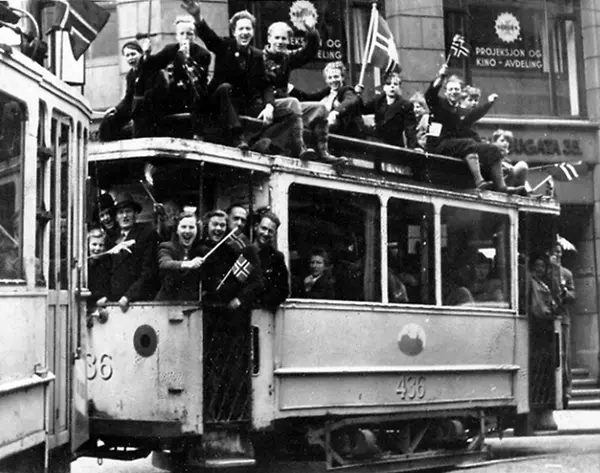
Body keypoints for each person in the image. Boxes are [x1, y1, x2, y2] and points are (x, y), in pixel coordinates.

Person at [182, 0, 274, 149]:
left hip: (241, 105)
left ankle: (265, 144)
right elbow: (209, 37)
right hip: (217, 101)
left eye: (248, 28)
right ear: (234, 32)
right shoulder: (225, 46)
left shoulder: (257, 55)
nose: (245, 32)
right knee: (225, 87)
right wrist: (197, 16)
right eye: (241, 29)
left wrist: (269, 105)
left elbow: (265, 83)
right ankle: (238, 138)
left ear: (253, 31)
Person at [255, 19, 346, 163]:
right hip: (264, 106)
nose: (280, 42)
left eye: (284, 38)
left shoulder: (286, 57)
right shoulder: (258, 58)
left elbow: (309, 52)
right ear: (269, 38)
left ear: (289, 40)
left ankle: (323, 153)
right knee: (293, 102)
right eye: (277, 38)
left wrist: (311, 31)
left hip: (285, 107)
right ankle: (300, 148)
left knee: (320, 108)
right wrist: (269, 104)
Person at [425, 64, 519, 194]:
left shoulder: (459, 111)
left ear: (461, 93)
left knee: (493, 149)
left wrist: (489, 103)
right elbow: (430, 95)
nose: (453, 92)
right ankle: (479, 181)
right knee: (468, 143)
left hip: (456, 146)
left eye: (456, 89)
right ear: (445, 92)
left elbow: (474, 115)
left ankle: (502, 186)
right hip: (438, 145)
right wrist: (441, 77)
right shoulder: (439, 104)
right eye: (451, 89)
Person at [140, 15, 211, 139]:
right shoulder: (170, 50)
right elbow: (151, 65)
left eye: (189, 34)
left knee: (198, 97)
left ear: (195, 36)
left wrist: (186, 57)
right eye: (182, 34)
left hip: (195, 95)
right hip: (175, 94)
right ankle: (153, 133)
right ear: (177, 36)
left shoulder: (203, 54)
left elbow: (197, 79)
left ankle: (198, 134)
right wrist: (146, 53)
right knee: (151, 96)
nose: (185, 37)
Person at [198, 210, 263, 310]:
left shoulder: (239, 248)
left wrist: (240, 299)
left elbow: (256, 281)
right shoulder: (199, 247)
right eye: (215, 224)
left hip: (231, 308)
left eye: (222, 225)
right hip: (205, 307)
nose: (218, 228)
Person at [108, 193, 159, 311]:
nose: (124, 216)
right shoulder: (111, 238)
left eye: (128, 211)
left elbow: (148, 271)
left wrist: (128, 296)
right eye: (120, 212)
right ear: (116, 217)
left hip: (138, 302)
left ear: (135, 214)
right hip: (114, 302)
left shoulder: (147, 234)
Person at [291, 61, 364, 139]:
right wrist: (291, 89)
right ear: (326, 80)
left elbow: (350, 100)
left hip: (346, 137)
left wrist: (336, 112)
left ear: (342, 77)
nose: (333, 80)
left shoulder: (347, 90)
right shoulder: (328, 91)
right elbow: (310, 98)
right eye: (330, 78)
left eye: (336, 77)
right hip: (329, 133)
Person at [357, 71, 418, 149]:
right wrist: (358, 95)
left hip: (393, 145)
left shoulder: (405, 105)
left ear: (399, 87)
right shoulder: (378, 100)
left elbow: (410, 130)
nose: (392, 86)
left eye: (395, 84)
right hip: (376, 141)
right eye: (388, 84)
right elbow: (363, 110)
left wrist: (412, 148)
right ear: (384, 87)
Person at [548, 243, 576, 405]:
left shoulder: (567, 273)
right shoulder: (546, 271)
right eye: (554, 252)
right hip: (548, 318)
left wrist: (566, 292)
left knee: (564, 355)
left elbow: (573, 296)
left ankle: (566, 390)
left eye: (559, 252)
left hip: (563, 318)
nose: (557, 255)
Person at [98, 41, 143, 142]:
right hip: (135, 108)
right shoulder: (131, 75)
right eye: (127, 55)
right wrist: (116, 109)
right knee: (109, 120)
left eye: (133, 54)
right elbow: (128, 98)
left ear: (141, 54)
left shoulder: (149, 69)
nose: (130, 58)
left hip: (148, 109)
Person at [156, 211, 204, 301]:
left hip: (191, 304)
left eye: (191, 227)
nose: (187, 231)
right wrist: (189, 264)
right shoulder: (167, 247)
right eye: (183, 227)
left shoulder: (200, 250)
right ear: (177, 230)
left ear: (197, 230)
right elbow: (164, 263)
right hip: (167, 303)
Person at [253, 211, 289, 310]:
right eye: (263, 228)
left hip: (263, 312)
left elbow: (283, 291)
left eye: (270, 231)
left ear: (274, 234)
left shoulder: (277, 258)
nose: (266, 233)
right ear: (256, 227)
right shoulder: (243, 250)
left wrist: (262, 302)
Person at [88, 228, 110, 307]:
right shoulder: (84, 265)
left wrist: (107, 297)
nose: (97, 249)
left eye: (101, 245)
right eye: (94, 244)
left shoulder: (108, 265)